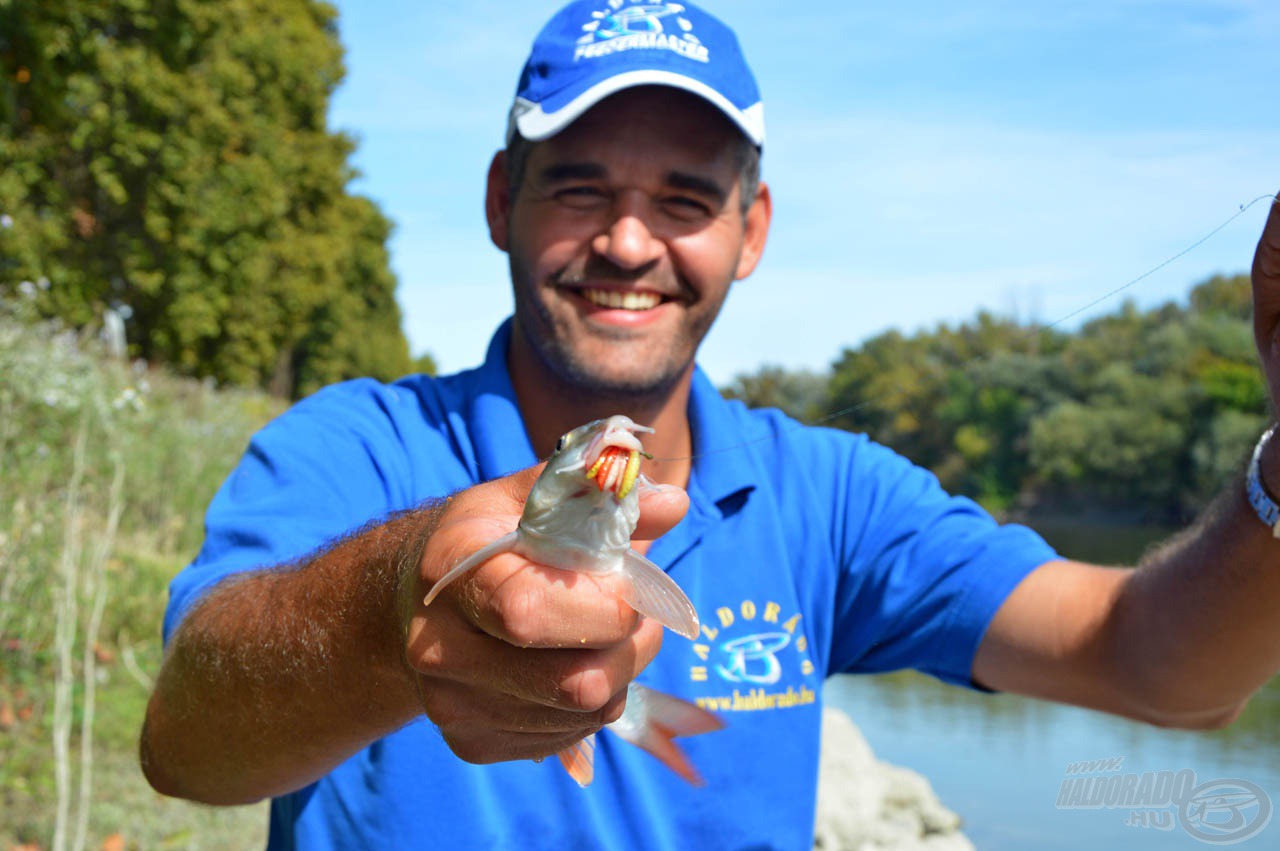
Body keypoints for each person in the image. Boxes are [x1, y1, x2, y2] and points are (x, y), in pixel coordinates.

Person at [140, 1, 1280, 848]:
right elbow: (186, 746)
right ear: (500, 199)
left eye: (684, 199)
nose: (628, 244)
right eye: (579, 186)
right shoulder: (351, 447)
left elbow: (1161, 669)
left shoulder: (835, 496)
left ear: (752, 229)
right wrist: (394, 604)